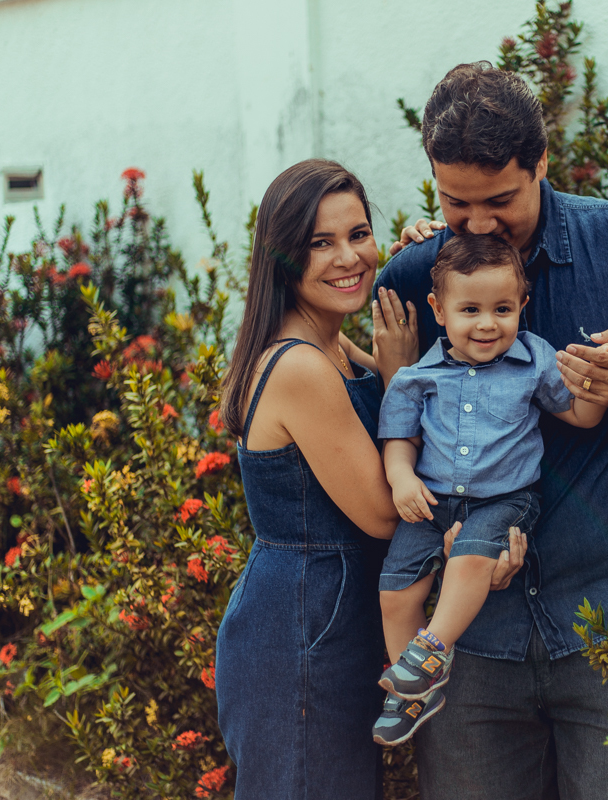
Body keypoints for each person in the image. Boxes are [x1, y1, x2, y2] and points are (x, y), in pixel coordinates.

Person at [375, 63, 608, 799]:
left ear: (541, 162)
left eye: (501, 201)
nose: (480, 224)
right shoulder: (415, 275)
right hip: (469, 646)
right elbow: (379, 423)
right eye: (455, 203)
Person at [211, 159, 527, 799]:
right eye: (320, 243)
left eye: (358, 234)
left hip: (328, 618)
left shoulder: (331, 344)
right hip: (300, 628)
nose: (347, 257)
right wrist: (397, 375)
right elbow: (386, 513)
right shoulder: (299, 365)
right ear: (281, 258)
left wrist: (438, 251)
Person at [372, 235, 608, 746]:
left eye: (502, 308)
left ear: (522, 306)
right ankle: (410, 696)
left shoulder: (534, 361)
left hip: (504, 500)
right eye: (470, 309)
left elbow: (579, 416)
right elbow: (399, 438)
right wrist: (401, 478)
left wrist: (600, 382)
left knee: (470, 558)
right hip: (430, 501)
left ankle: (430, 652)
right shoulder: (418, 375)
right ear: (439, 310)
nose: (488, 323)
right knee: (395, 590)